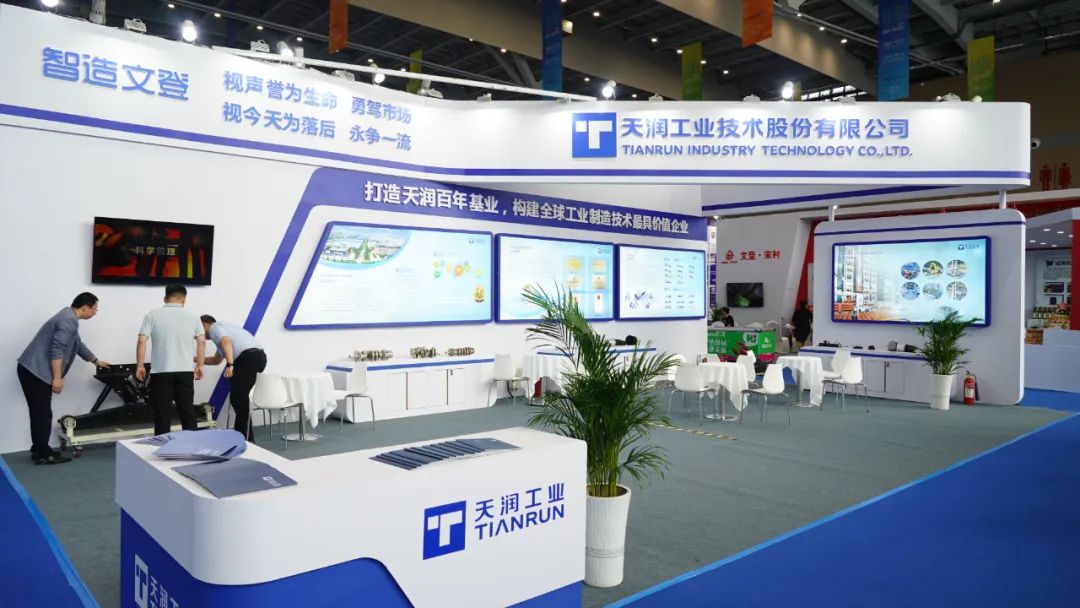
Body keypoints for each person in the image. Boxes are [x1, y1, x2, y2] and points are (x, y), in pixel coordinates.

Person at [16, 293, 111, 464]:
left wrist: (96, 361)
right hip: (34, 371)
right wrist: (57, 378)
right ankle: (43, 454)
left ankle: (39, 449)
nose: (95, 312)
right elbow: (57, 349)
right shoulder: (68, 320)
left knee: (40, 412)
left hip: (31, 369)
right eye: (95, 308)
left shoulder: (68, 317)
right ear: (85, 307)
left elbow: (77, 344)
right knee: (42, 413)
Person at [136, 284, 205, 436]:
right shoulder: (193, 316)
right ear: (184, 300)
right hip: (185, 372)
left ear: (165, 298)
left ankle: (162, 446)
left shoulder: (152, 315)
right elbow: (201, 342)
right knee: (187, 412)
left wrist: (140, 365)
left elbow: (142, 341)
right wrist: (200, 365)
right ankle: (193, 445)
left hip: (161, 372)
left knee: (162, 413)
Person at [200, 315, 266, 440]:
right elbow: (215, 360)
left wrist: (230, 365)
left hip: (247, 358)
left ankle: (244, 437)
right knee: (239, 398)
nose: (198, 334)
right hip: (258, 357)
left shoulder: (214, 328)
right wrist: (194, 359)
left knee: (238, 398)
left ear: (204, 324)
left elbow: (226, 342)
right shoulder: (224, 332)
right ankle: (244, 435)